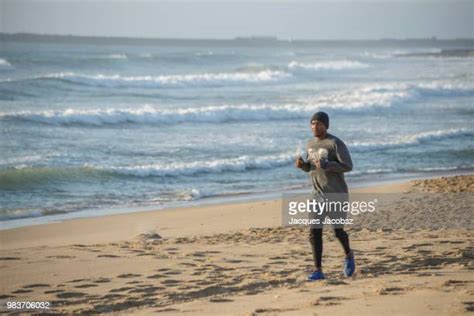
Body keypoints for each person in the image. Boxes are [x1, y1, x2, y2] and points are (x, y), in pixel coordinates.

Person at [296, 111, 355, 281]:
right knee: (314, 233)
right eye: (313, 123)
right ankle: (318, 270)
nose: (315, 126)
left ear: (326, 126)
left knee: (338, 232)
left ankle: (349, 255)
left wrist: (328, 164)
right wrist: (303, 166)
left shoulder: (335, 143)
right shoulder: (310, 144)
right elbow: (312, 167)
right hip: (317, 195)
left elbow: (348, 166)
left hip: (336, 193)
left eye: (319, 124)